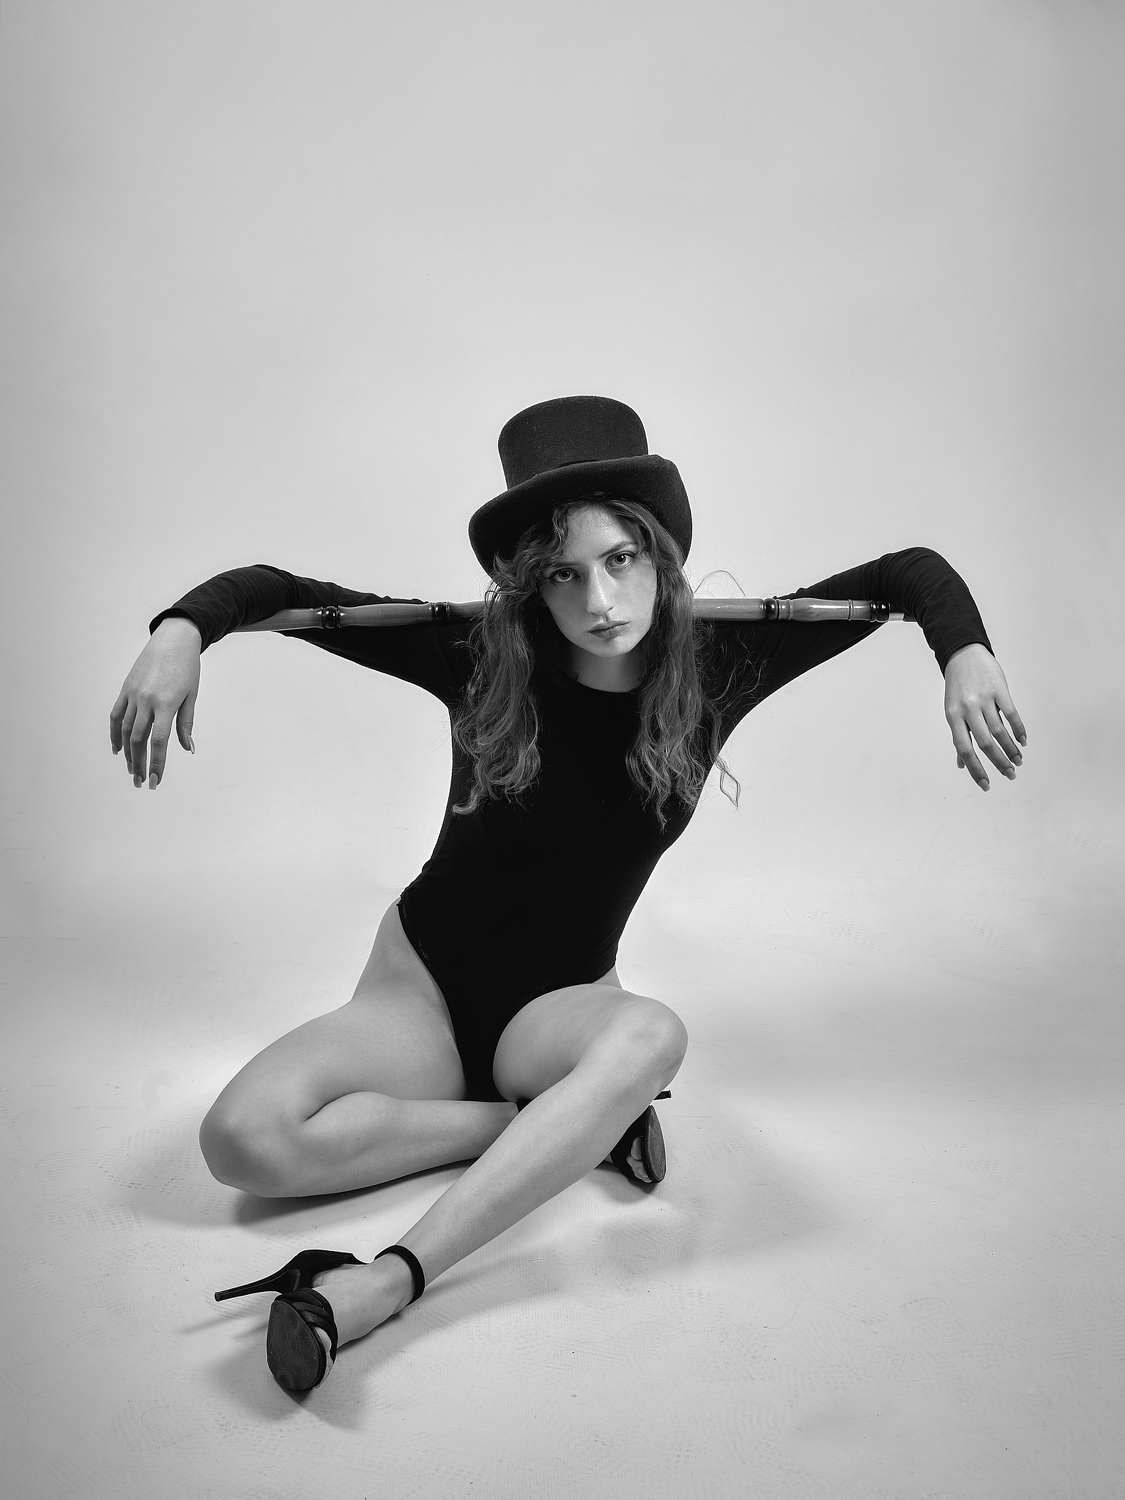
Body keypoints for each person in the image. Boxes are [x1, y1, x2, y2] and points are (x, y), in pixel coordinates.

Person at [108, 395, 1027, 1393]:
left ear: (660, 554)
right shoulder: (477, 651)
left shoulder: (724, 660)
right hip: (417, 994)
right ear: (528, 585)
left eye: (620, 559)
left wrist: (963, 651)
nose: (600, 599)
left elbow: (903, 575)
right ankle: (576, 1125)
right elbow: (279, 592)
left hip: (553, 1012)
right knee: (241, 1142)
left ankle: (388, 1279)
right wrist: (181, 631)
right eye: (563, 573)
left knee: (653, 1036)